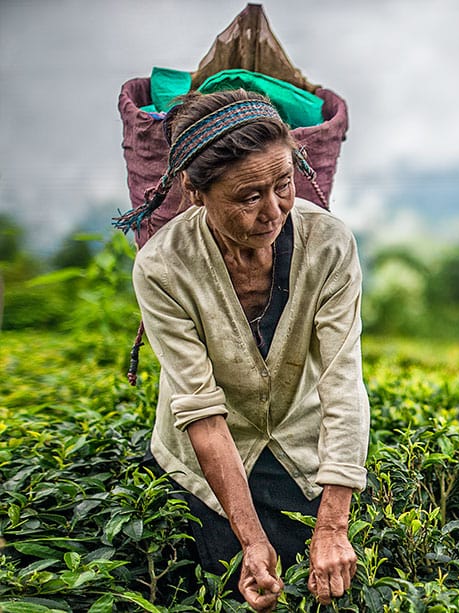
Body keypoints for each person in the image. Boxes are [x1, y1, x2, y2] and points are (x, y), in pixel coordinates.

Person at [131, 88, 370, 611]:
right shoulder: (163, 267)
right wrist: (251, 539)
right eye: (247, 197)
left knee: (334, 585)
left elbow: (342, 381)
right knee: (218, 589)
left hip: (301, 447)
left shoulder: (329, 244)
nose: (273, 210)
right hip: (208, 462)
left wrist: (333, 523)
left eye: (283, 184)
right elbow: (200, 410)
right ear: (195, 192)